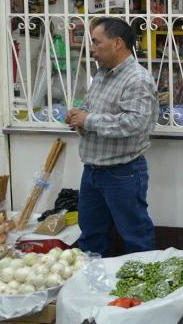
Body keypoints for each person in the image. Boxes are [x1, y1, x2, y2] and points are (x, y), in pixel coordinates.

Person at [65, 17, 158, 256]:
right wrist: (78, 116)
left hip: (123, 172)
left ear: (117, 43)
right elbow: (91, 109)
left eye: (96, 42)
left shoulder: (137, 79)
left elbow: (135, 122)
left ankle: (141, 278)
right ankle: (93, 277)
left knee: (135, 236)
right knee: (91, 235)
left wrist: (88, 120)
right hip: (93, 171)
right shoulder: (102, 75)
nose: (92, 48)